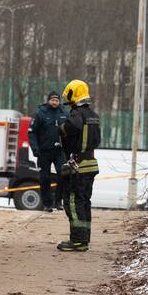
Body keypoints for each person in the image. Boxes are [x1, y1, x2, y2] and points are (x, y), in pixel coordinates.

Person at [57, 79, 100, 252]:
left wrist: (60, 130)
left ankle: (77, 241)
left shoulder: (77, 115)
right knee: (84, 202)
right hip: (90, 163)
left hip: (78, 166)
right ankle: (84, 238)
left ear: (72, 94)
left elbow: (70, 128)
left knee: (73, 202)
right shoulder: (93, 116)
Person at [28, 90, 68, 212]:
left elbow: (69, 132)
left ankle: (58, 201)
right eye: (52, 100)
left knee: (63, 175)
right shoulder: (40, 113)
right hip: (43, 151)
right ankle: (47, 204)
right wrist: (35, 148)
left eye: (57, 100)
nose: (55, 102)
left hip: (59, 151)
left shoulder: (64, 113)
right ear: (48, 100)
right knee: (44, 178)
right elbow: (31, 132)